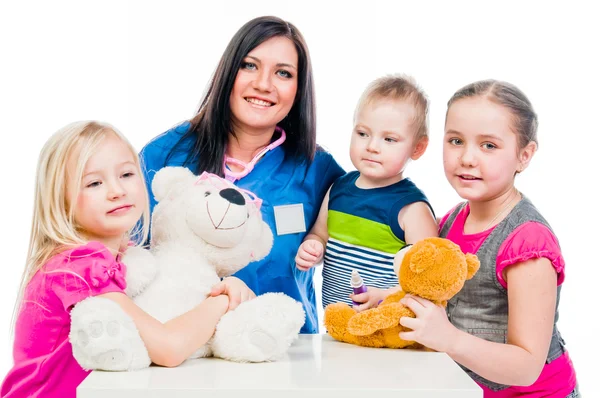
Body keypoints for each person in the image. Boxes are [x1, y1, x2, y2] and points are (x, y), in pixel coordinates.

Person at [139, 16, 344, 333]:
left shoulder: (318, 169)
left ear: (298, 89)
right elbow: (122, 258)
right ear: (228, 71)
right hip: (177, 356)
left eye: (283, 73)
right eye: (249, 65)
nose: (264, 84)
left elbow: (374, 233)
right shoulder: (163, 156)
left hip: (285, 357)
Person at [1, 121, 231, 398]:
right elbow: (168, 348)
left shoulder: (124, 258)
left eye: (126, 174)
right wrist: (223, 300)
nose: (117, 191)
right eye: (94, 182)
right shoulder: (77, 267)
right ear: (61, 201)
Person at [398, 80, 579, 397]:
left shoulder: (528, 243)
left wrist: (449, 339)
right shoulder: (453, 219)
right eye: (456, 140)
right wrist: (388, 295)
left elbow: (526, 367)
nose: (467, 158)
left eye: (489, 146)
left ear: (524, 155)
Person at [295, 75, 438, 311]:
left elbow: (427, 280)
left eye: (389, 139)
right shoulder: (338, 188)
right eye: (363, 134)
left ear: (418, 148)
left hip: (387, 333)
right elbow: (319, 234)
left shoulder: (412, 209)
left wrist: (385, 296)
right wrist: (313, 247)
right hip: (336, 327)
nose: (372, 146)